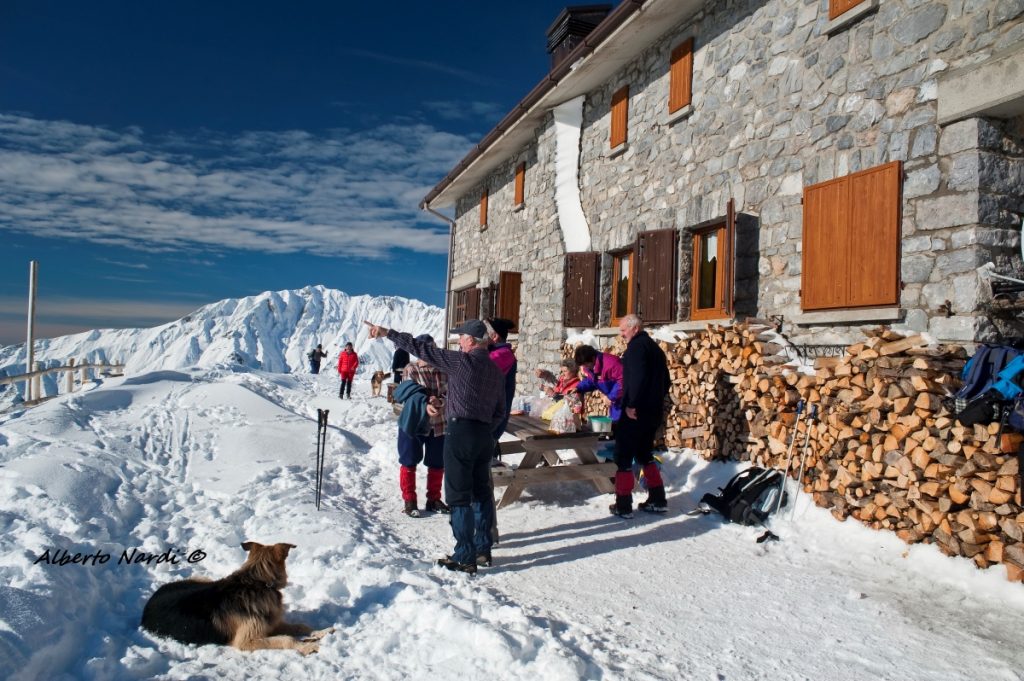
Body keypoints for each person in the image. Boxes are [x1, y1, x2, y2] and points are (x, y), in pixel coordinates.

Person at [365, 318, 505, 575]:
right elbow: (500, 410)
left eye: (461, 338)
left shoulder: (461, 361)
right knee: (481, 492)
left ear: (471, 341)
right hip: (484, 435)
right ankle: (483, 548)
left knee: (459, 495)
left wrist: (387, 333)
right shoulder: (496, 372)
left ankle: (465, 555)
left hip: (460, 433)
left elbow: (422, 349)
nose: (459, 342)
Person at [611, 314, 671, 518]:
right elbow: (667, 382)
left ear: (634, 328)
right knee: (645, 453)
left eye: (623, 330)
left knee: (623, 455)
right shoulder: (655, 349)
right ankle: (658, 498)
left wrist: (631, 405)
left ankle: (623, 504)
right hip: (653, 411)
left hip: (635, 411)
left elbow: (636, 379)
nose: (621, 334)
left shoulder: (636, 348)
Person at [396, 334, 450, 518]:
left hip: (439, 423)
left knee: (437, 462)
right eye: (425, 350)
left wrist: (441, 402)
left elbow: (450, 393)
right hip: (414, 422)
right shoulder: (411, 369)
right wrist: (426, 402)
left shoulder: (444, 370)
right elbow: (409, 394)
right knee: (409, 460)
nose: (428, 354)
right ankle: (409, 500)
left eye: (432, 349)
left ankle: (433, 499)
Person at [573, 345, 624, 421]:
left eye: (586, 364)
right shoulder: (591, 367)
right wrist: (578, 387)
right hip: (615, 405)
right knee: (615, 426)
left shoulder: (612, 363)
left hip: (626, 402)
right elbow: (592, 381)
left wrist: (611, 397)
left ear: (593, 358)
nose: (585, 367)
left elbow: (623, 381)